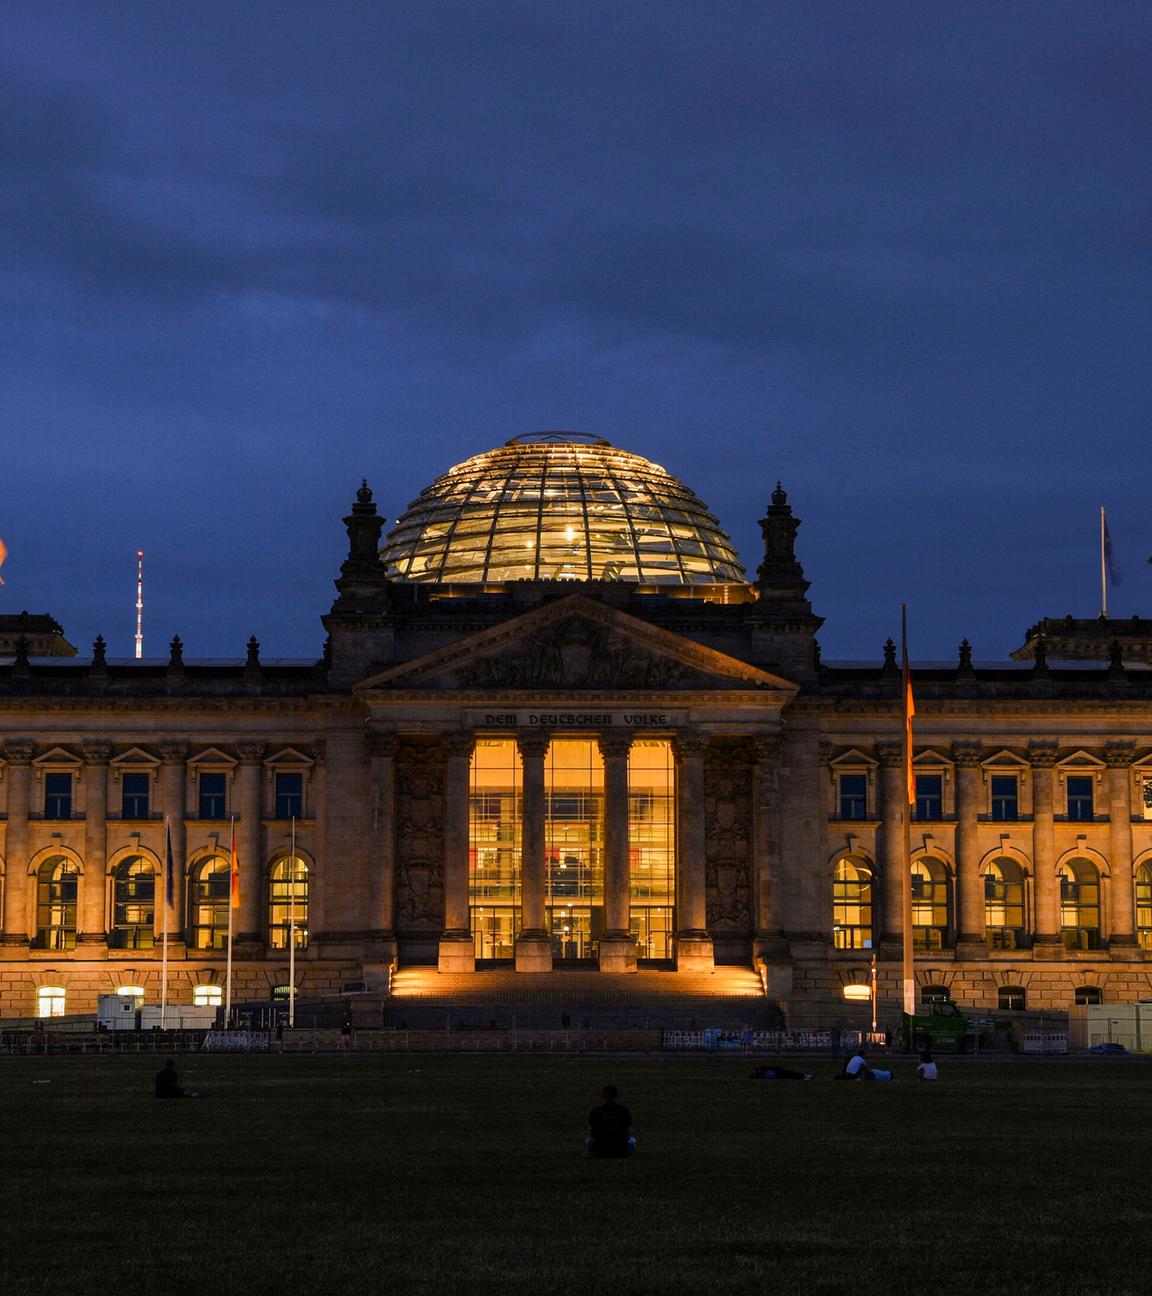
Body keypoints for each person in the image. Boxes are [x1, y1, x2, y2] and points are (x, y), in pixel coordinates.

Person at [586, 1084, 637, 1158]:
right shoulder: (624, 1110)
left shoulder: (595, 1111)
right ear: (616, 1097)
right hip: (620, 1150)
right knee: (632, 1140)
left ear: (603, 1097)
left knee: (588, 1141)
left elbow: (591, 1132)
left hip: (600, 1149)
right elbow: (628, 1131)